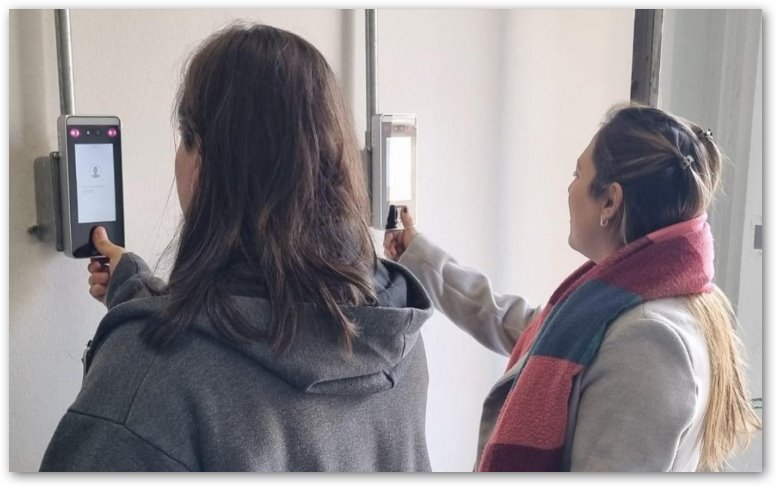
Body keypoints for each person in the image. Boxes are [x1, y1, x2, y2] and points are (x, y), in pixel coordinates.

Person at [40, 23, 434, 472]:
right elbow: (258, 334)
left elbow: (207, 366)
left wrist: (144, 335)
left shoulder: (149, 383)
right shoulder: (394, 339)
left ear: (204, 163)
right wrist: (135, 291)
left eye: (184, 139)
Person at [384, 104, 761, 472]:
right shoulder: (625, 300)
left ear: (610, 201)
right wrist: (421, 257)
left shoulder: (650, 341)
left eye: (577, 173)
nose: (569, 188)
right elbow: (521, 326)